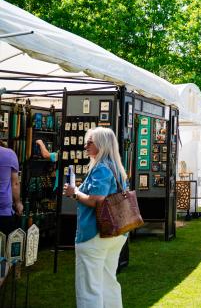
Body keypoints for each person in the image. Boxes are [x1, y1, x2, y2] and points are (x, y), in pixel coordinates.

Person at [63, 127, 128, 307]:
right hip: (116, 233)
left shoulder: (101, 168)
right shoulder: (116, 167)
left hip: (95, 234)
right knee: (108, 283)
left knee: (89, 288)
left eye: (89, 142)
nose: (85, 146)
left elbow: (96, 200)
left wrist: (74, 192)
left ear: (101, 144)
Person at [0, 143, 22, 235]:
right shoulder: (9, 154)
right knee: (5, 245)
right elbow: (15, 184)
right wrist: (18, 203)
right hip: (3, 210)